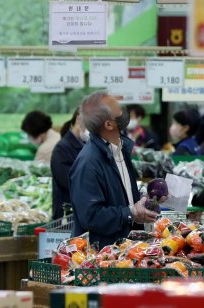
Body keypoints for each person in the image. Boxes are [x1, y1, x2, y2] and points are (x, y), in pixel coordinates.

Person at [69, 91, 163, 246]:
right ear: (109, 124)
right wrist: (131, 213)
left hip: (123, 250)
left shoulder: (120, 150)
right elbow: (91, 216)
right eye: (118, 108)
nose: (124, 110)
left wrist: (147, 198)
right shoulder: (88, 163)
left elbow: (120, 197)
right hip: (102, 257)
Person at [50, 108, 90, 220]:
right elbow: (69, 182)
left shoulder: (86, 145)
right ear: (78, 120)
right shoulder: (62, 149)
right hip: (67, 215)